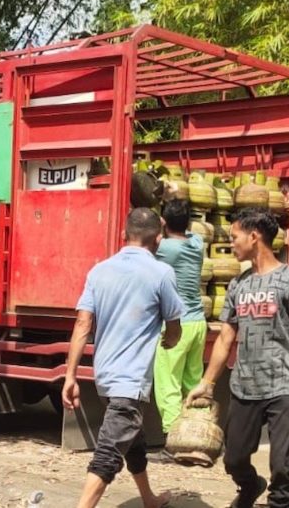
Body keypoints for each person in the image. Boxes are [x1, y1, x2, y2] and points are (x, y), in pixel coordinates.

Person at [186, 207, 289, 508]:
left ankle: (281, 502)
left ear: (254, 236)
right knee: (233, 458)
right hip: (244, 385)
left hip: (281, 385)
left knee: (282, 466)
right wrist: (206, 383)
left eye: (235, 237)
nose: (231, 244)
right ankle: (250, 485)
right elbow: (226, 337)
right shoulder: (237, 285)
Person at [62, 207, 184, 508]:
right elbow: (174, 327)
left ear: (123, 235)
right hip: (129, 383)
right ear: (158, 239)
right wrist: (169, 342)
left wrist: (70, 375)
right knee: (108, 455)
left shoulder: (98, 271)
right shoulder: (162, 273)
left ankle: (149, 499)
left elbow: (82, 324)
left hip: (105, 378)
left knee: (134, 441)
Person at [153, 199, 208, 439]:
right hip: (198, 323)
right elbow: (190, 233)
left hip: (177, 324)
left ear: (164, 222)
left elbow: (144, 242)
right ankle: (199, 431)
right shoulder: (197, 243)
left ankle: (172, 437)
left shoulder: (164, 248)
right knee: (193, 382)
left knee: (168, 383)